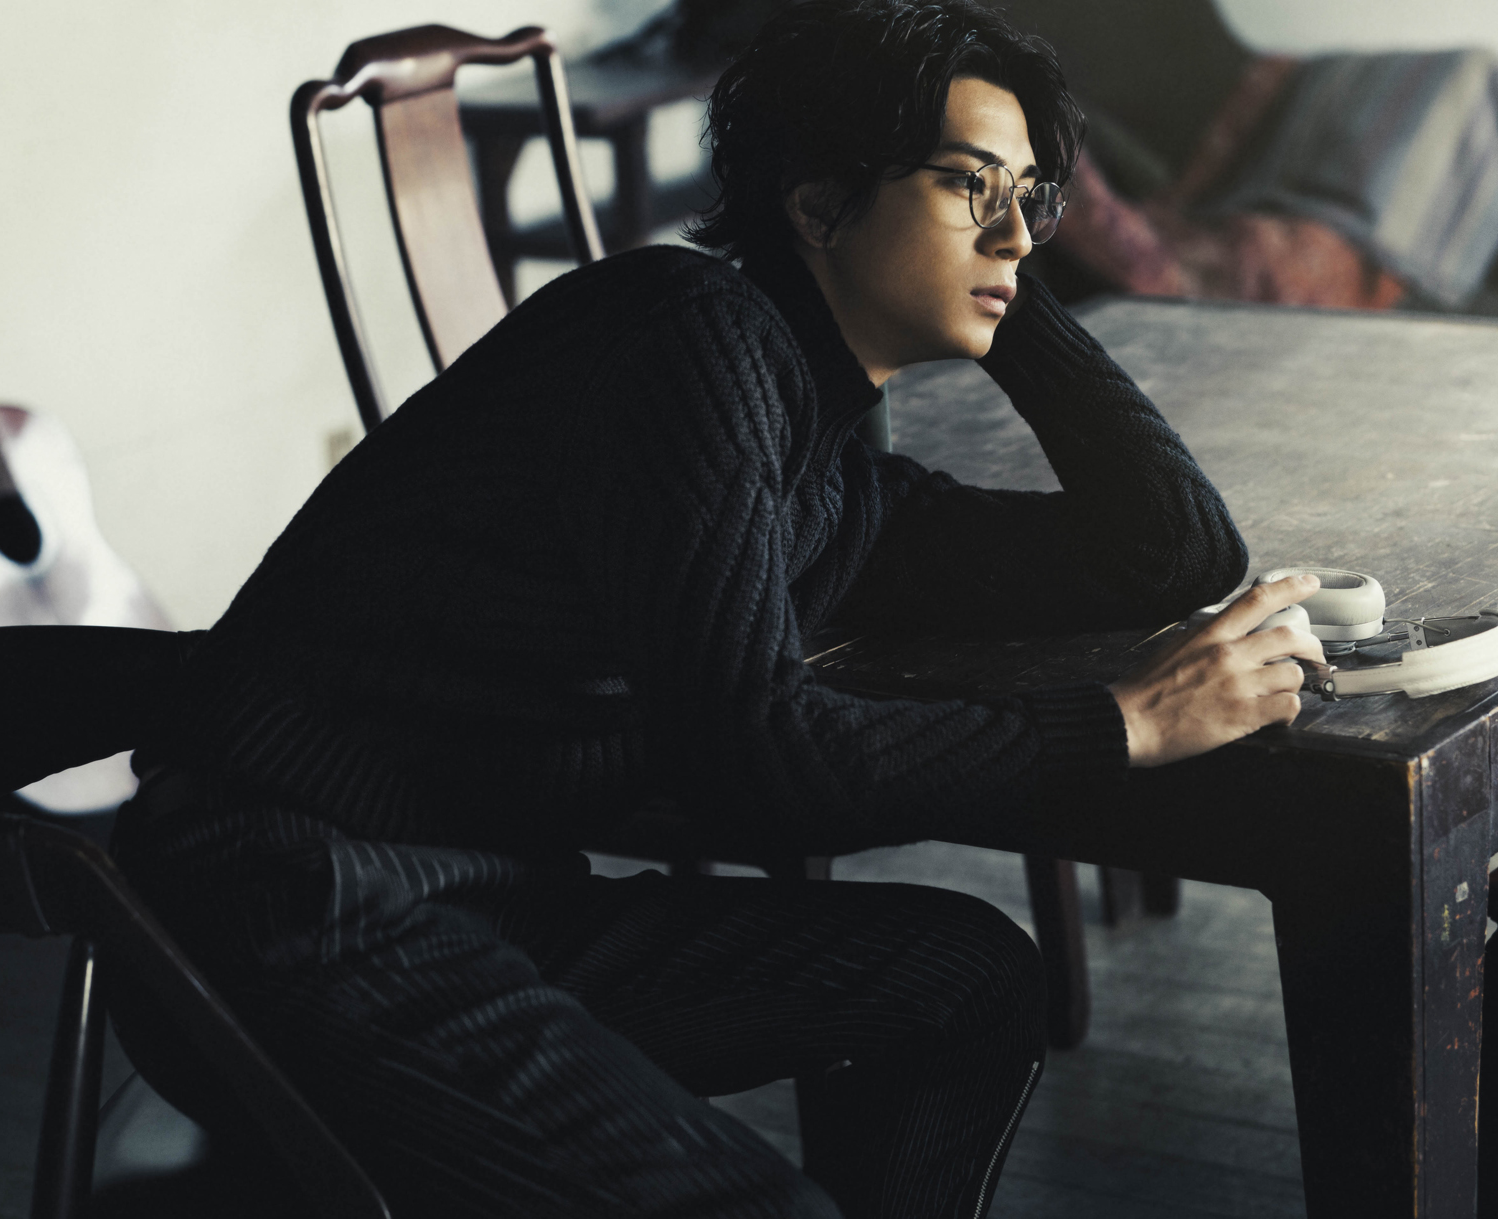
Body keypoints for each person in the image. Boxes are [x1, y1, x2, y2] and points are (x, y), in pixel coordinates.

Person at [110, 2, 1325, 1216]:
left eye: (1030, 198)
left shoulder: (830, 469)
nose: (1016, 233)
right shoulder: (686, 336)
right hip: (284, 902)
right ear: (817, 203)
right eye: (971, 185)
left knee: (966, 981)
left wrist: (994, 282)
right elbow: (758, 755)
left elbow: (1168, 551)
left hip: (492, 894)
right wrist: (1121, 725)